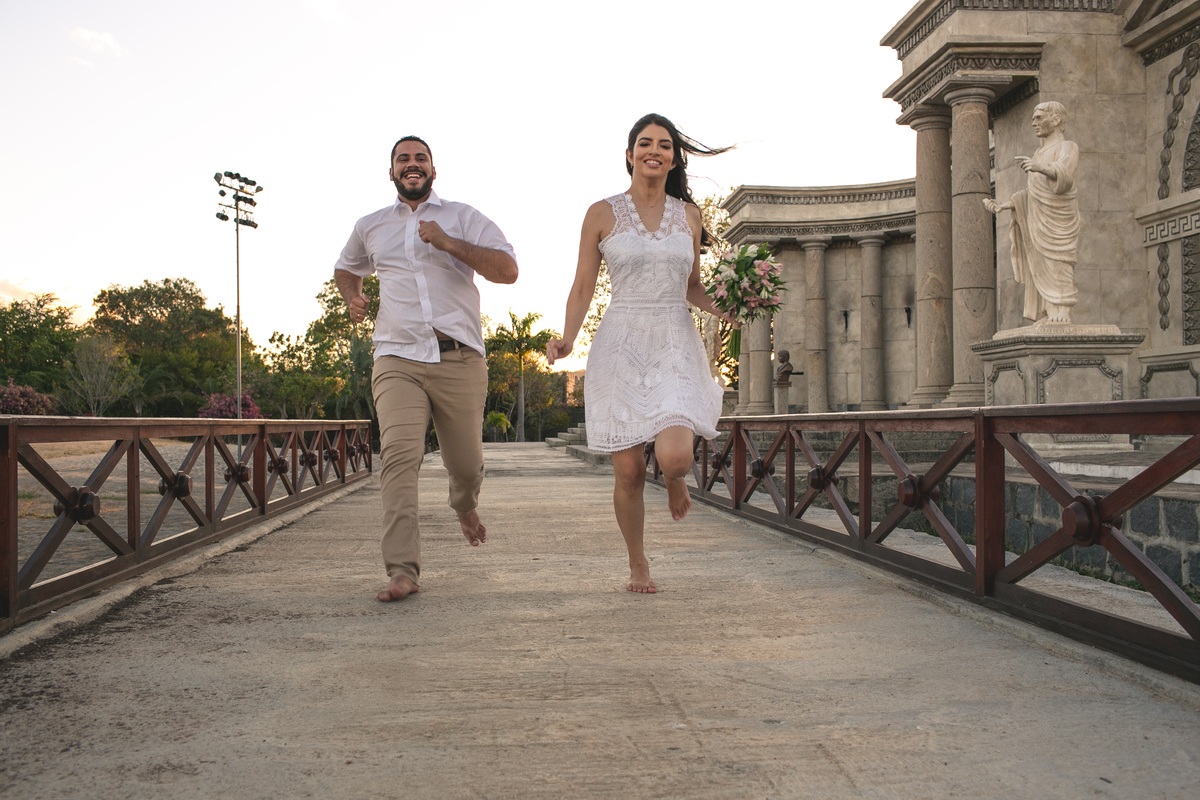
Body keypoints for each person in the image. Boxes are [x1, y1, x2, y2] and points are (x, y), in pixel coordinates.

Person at [546, 113, 732, 594]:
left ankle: (672, 479)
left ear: (674, 157)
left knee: (676, 459)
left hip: (673, 341)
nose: (655, 151)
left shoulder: (688, 215)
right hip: (619, 344)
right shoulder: (601, 213)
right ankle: (638, 563)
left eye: (665, 145)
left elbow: (692, 287)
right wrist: (567, 338)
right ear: (629, 154)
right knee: (628, 470)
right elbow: (583, 284)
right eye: (645, 143)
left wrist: (731, 307)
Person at [334, 135, 518, 602]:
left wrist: (448, 242)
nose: (411, 165)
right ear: (391, 172)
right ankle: (402, 570)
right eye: (403, 159)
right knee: (398, 456)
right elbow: (345, 268)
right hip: (397, 357)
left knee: (466, 465)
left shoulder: (462, 217)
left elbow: (507, 270)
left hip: (459, 356)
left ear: (433, 171)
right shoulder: (370, 226)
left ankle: (464, 505)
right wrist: (352, 295)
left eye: (420, 158)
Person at [983, 101, 1080, 324]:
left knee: (1059, 260)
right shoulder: (1038, 152)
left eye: (1038, 118)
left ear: (1055, 120)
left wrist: (1040, 168)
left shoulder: (1067, 147)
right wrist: (1007, 205)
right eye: (1033, 118)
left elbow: (1065, 176)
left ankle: (1063, 309)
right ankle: (1050, 309)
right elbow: (1033, 193)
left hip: (1059, 218)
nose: (1033, 123)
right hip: (1038, 216)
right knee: (1041, 260)